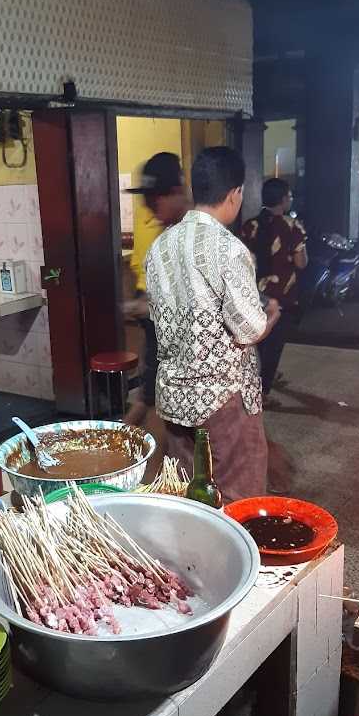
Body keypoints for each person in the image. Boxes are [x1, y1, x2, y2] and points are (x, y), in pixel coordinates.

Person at [145, 146, 280, 504]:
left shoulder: (159, 248)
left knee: (190, 495)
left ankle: (195, 559)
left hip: (175, 397)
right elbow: (249, 328)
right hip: (223, 401)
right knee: (239, 497)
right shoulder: (228, 249)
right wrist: (271, 315)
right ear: (235, 194)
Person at [123, 152, 187, 425]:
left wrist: (148, 305)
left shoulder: (192, 235)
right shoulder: (167, 232)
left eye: (153, 199)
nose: (148, 208)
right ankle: (142, 404)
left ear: (175, 192)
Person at [241, 178, 308, 405]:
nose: (290, 200)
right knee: (275, 345)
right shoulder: (292, 226)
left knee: (260, 341)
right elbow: (301, 263)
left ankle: (264, 376)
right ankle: (263, 392)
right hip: (282, 297)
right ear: (282, 200)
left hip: (256, 295)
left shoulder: (249, 226)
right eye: (289, 196)